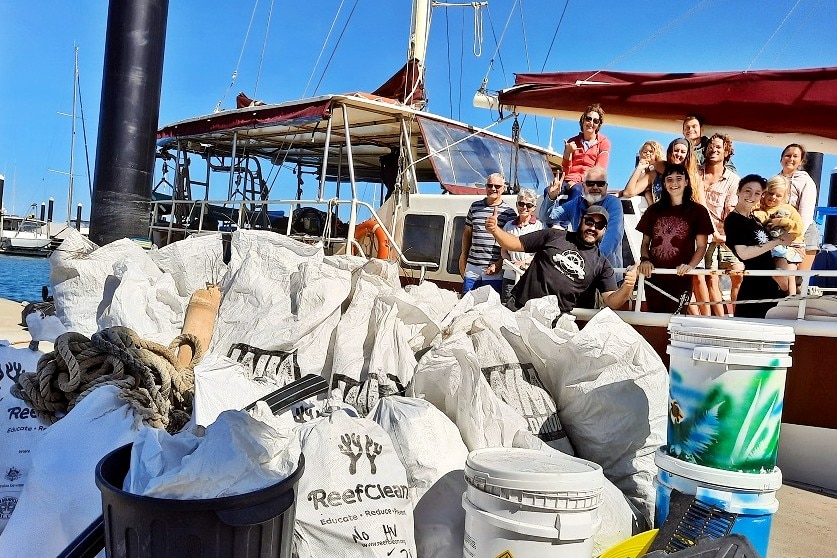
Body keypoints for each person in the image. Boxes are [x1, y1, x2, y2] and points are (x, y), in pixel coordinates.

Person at [485, 204, 637, 313]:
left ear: (604, 230)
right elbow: (514, 243)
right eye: (589, 221)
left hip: (554, 324)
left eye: (599, 225)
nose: (592, 228)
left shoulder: (602, 264)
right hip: (519, 307)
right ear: (580, 221)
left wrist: (627, 287)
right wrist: (495, 230)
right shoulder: (553, 235)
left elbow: (612, 300)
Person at [636, 163, 714, 313]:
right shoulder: (653, 210)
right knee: (655, 320)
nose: (674, 183)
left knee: (676, 319)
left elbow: (702, 246)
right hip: (654, 277)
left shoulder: (698, 211)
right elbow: (646, 242)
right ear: (664, 184)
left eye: (679, 178)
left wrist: (690, 266)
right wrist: (645, 260)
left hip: (680, 278)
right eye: (669, 179)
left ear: (686, 181)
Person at [724, 174, 795, 319]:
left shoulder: (755, 219)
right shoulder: (733, 220)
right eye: (748, 191)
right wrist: (777, 241)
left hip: (771, 286)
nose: (752, 196)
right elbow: (743, 253)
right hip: (754, 288)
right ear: (738, 191)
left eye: (757, 193)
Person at [542, 166, 624, 271]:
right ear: (583, 186)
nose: (595, 187)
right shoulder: (576, 203)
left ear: (606, 187)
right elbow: (547, 217)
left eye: (600, 184)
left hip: (606, 272)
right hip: (580, 270)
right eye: (590, 183)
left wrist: (589, 265)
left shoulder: (614, 203)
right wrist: (551, 197)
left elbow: (612, 238)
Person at [699, 133, 742, 316]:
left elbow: (731, 213)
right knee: (711, 278)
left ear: (726, 152)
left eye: (718, 147)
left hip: (725, 234)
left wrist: (725, 237)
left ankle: (739, 314)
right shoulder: (696, 174)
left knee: (738, 273)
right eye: (710, 146)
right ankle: (719, 319)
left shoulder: (733, 180)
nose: (713, 149)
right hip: (703, 235)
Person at [459, 172, 517, 294]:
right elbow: (467, 233)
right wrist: (463, 257)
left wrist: (499, 264)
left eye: (497, 186)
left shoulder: (509, 212)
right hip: (472, 266)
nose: (493, 189)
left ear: (503, 188)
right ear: (485, 187)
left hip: (493, 269)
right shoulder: (474, 207)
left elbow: (511, 244)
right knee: (466, 303)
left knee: (489, 306)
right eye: (490, 185)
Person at [753, 175, 805, 296]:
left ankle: (790, 298)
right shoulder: (759, 211)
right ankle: (783, 287)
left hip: (792, 245)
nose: (773, 197)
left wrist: (781, 222)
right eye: (771, 193)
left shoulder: (788, 209)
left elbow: (799, 228)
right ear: (764, 192)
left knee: (790, 272)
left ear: (784, 196)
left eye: (778, 195)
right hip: (772, 248)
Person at [773, 143, 819, 272]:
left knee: (799, 280)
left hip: (804, 233)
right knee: (779, 275)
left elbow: (806, 213)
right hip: (779, 231)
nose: (791, 159)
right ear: (781, 159)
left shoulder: (806, 181)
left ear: (801, 161)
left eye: (795, 156)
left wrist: (795, 238)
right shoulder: (774, 181)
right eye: (787, 155)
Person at [620, 138, 702, 205]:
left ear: (687, 155)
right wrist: (639, 168)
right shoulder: (655, 173)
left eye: (683, 152)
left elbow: (701, 204)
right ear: (670, 152)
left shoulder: (694, 177)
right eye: (676, 150)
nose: (678, 154)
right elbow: (628, 192)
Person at [500, 188, 544, 302]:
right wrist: (510, 263)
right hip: (510, 276)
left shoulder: (539, 227)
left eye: (529, 205)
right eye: (521, 203)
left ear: (534, 207)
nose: (524, 207)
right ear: (516, 205)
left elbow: (541, 252)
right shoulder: (508, 226)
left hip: (530, 277)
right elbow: (503, 250)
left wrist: (524, 262)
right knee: (506, 308)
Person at [560, 104, 611, 202]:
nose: (591, 123)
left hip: (588, 181)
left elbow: (598, 171)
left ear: (598, 125)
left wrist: (577, 180)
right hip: (568, 180)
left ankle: (573, 217)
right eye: (588, 119)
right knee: (549, 191)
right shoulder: (572, 141)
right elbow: (565, 171)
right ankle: (550, 217)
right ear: (583, 120)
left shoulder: (604, 143)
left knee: (577, 190)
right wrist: (567, 152)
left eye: (595, 121)